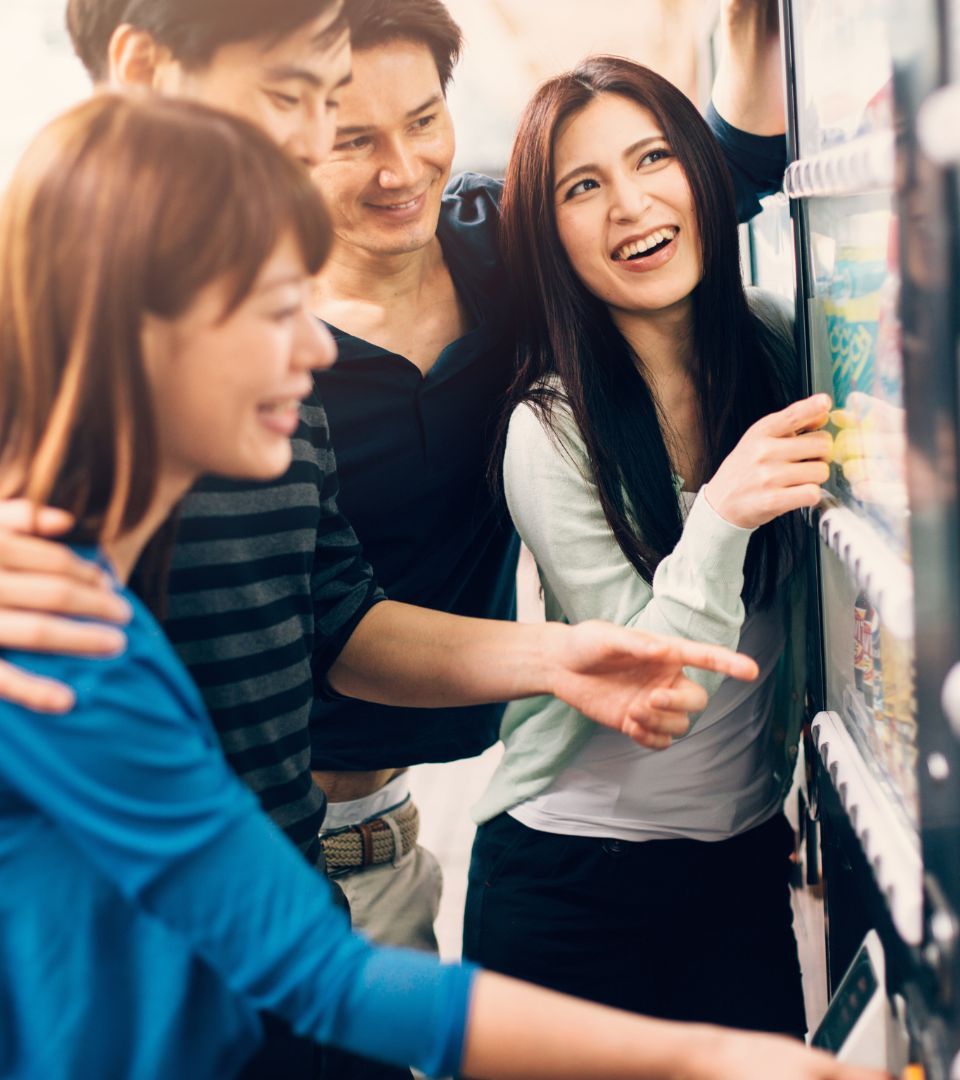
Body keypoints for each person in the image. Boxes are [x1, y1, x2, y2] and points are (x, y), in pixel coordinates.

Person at [0, 89, 885, 1080]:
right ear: (141, 329)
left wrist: (559, 656)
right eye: (279, 308)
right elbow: (321, 975)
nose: (320, 347)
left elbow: (346, 628)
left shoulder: (89, 605)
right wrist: (706, 1060)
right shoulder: (48, 641)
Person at [307, 0, 794, 954]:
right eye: (352, 139)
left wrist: (749, 23)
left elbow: (707, 179)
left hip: (390, 833)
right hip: (247, 826)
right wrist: (568, 664)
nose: (401, 169)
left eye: (421, 121)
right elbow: (339, 627)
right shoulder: (257, 351)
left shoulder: (500, 246)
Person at [462, 55, 835, 1038]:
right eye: (583, 187)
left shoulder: (782, 345)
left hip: (742, 858)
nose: (631, 205)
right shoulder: (547, 430)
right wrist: (722, 514)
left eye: (653, 158)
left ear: (702, 176)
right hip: (567, 882)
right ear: (550, 237)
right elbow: (658, 699)